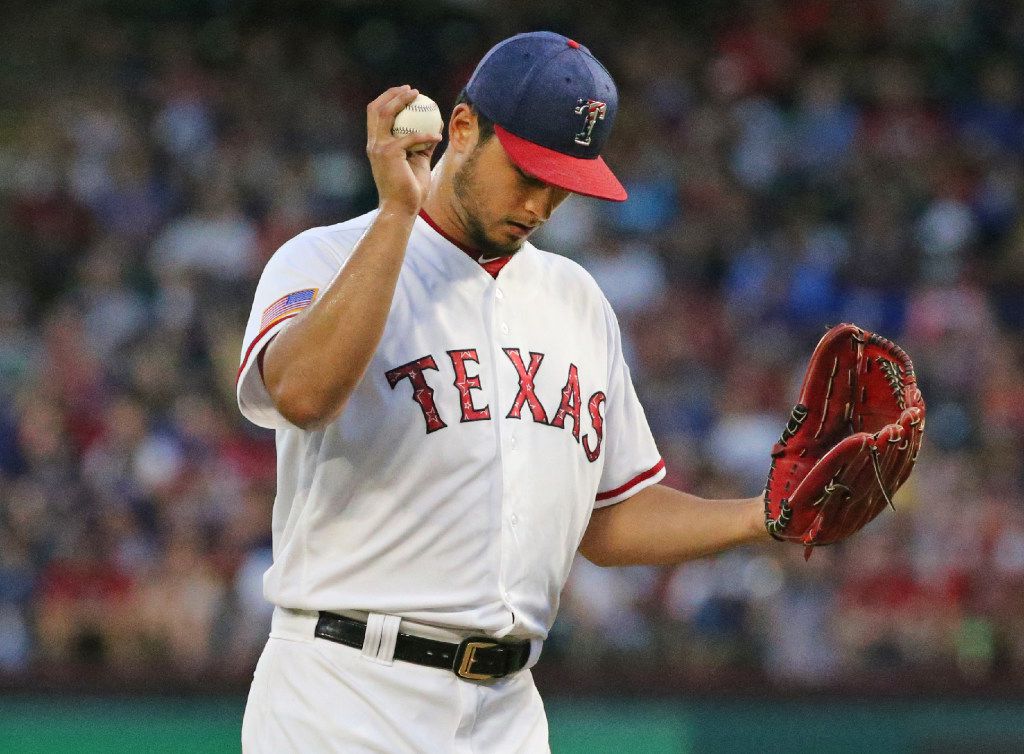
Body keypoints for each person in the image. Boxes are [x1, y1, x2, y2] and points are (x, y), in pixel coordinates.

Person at [236, 31, 767, 753]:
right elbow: (299, 394)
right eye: (526, 172)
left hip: (507, 711)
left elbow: (609, 521)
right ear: (461, 128)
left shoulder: (576, 299)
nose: (542, 202)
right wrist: (398, 214)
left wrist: (767, 517)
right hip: (345, 692)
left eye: (562, 183)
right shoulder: (324, 255)